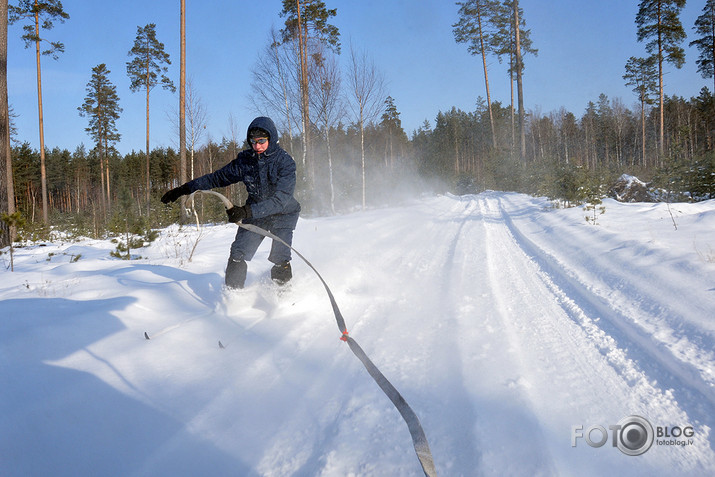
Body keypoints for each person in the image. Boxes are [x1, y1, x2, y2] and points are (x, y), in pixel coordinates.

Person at [161, 116, 301, 289]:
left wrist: (246, 212)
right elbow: (217, 178)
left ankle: (284, 296)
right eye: (253, 141)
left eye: (262, 141)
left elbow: (280, 201)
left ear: (271, 138)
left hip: (283, 213)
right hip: (256, 212)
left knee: (280, 256)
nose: (257, 146)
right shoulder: (245, 161)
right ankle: (233, 294)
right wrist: (183, 189)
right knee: (238, 253)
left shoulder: (285, 162)